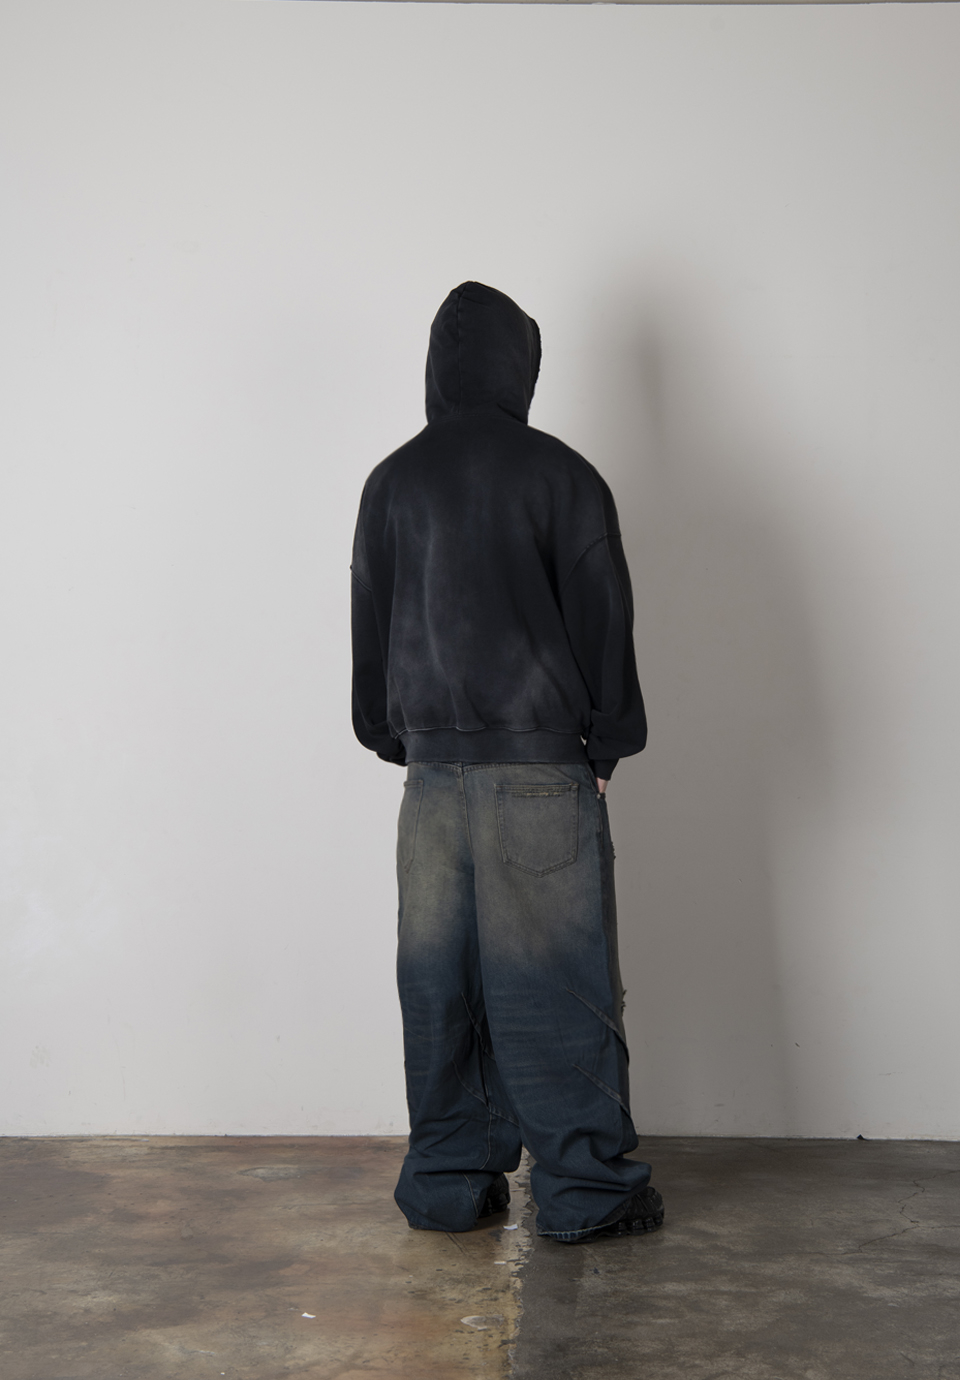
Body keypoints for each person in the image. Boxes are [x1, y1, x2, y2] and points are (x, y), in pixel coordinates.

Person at [350, 281, 663, 1244]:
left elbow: (370, 626)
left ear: (437, 367)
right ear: (519, 365)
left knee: (439, 986)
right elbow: (603, 621)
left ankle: (449, 1184)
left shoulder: (391, 482)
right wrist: (606, 741)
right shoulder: (563, 476)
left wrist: (397, 738)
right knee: (555, 984)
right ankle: (587, 1194)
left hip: (430, 782)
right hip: (540, 772)